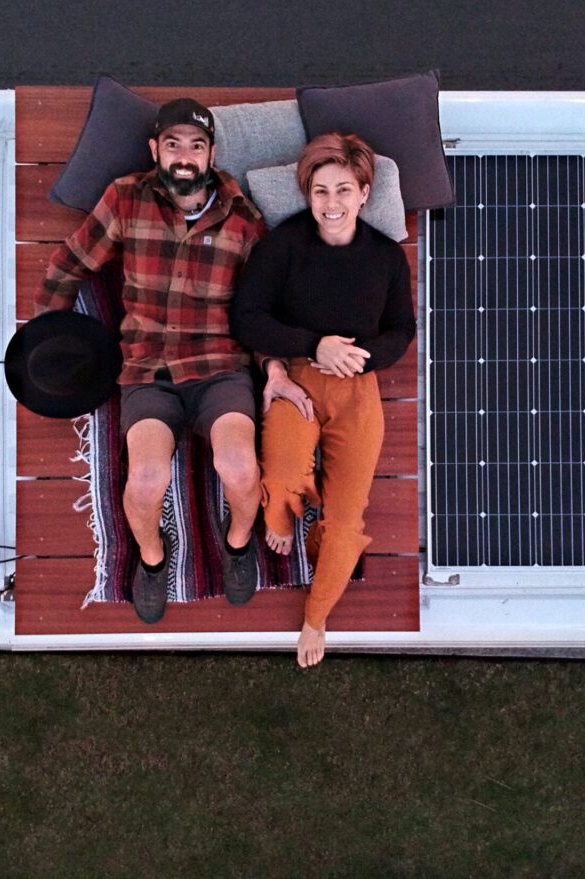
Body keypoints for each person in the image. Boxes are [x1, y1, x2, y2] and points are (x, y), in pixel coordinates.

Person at [35, 98, 267, 624]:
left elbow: (260, 308)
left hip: (218, 368)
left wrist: (273, 369)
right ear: (155, 150)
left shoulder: (244, 220)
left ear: (211, 154)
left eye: (197, 146)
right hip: (147, 371)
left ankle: (237, 545)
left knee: (240, 467)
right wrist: (46, 338)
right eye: (173, 144)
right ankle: (152, 559)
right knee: (143, 481)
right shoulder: (126, 199)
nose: (185, 157)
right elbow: (70, 263)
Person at [232, 133, 416, 667]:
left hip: (357, 386)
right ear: (307, 195)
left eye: (342, 190)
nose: (331, 203)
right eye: (319, 191)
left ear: (363, 194)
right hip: (296, 374)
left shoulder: (385, 258)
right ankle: (283, 515)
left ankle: (316, 616)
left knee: (346, 517)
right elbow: (249, 316)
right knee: (284, 469)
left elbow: (401, 329)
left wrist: (361, 357)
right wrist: (314, 345)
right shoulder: (283, 246)